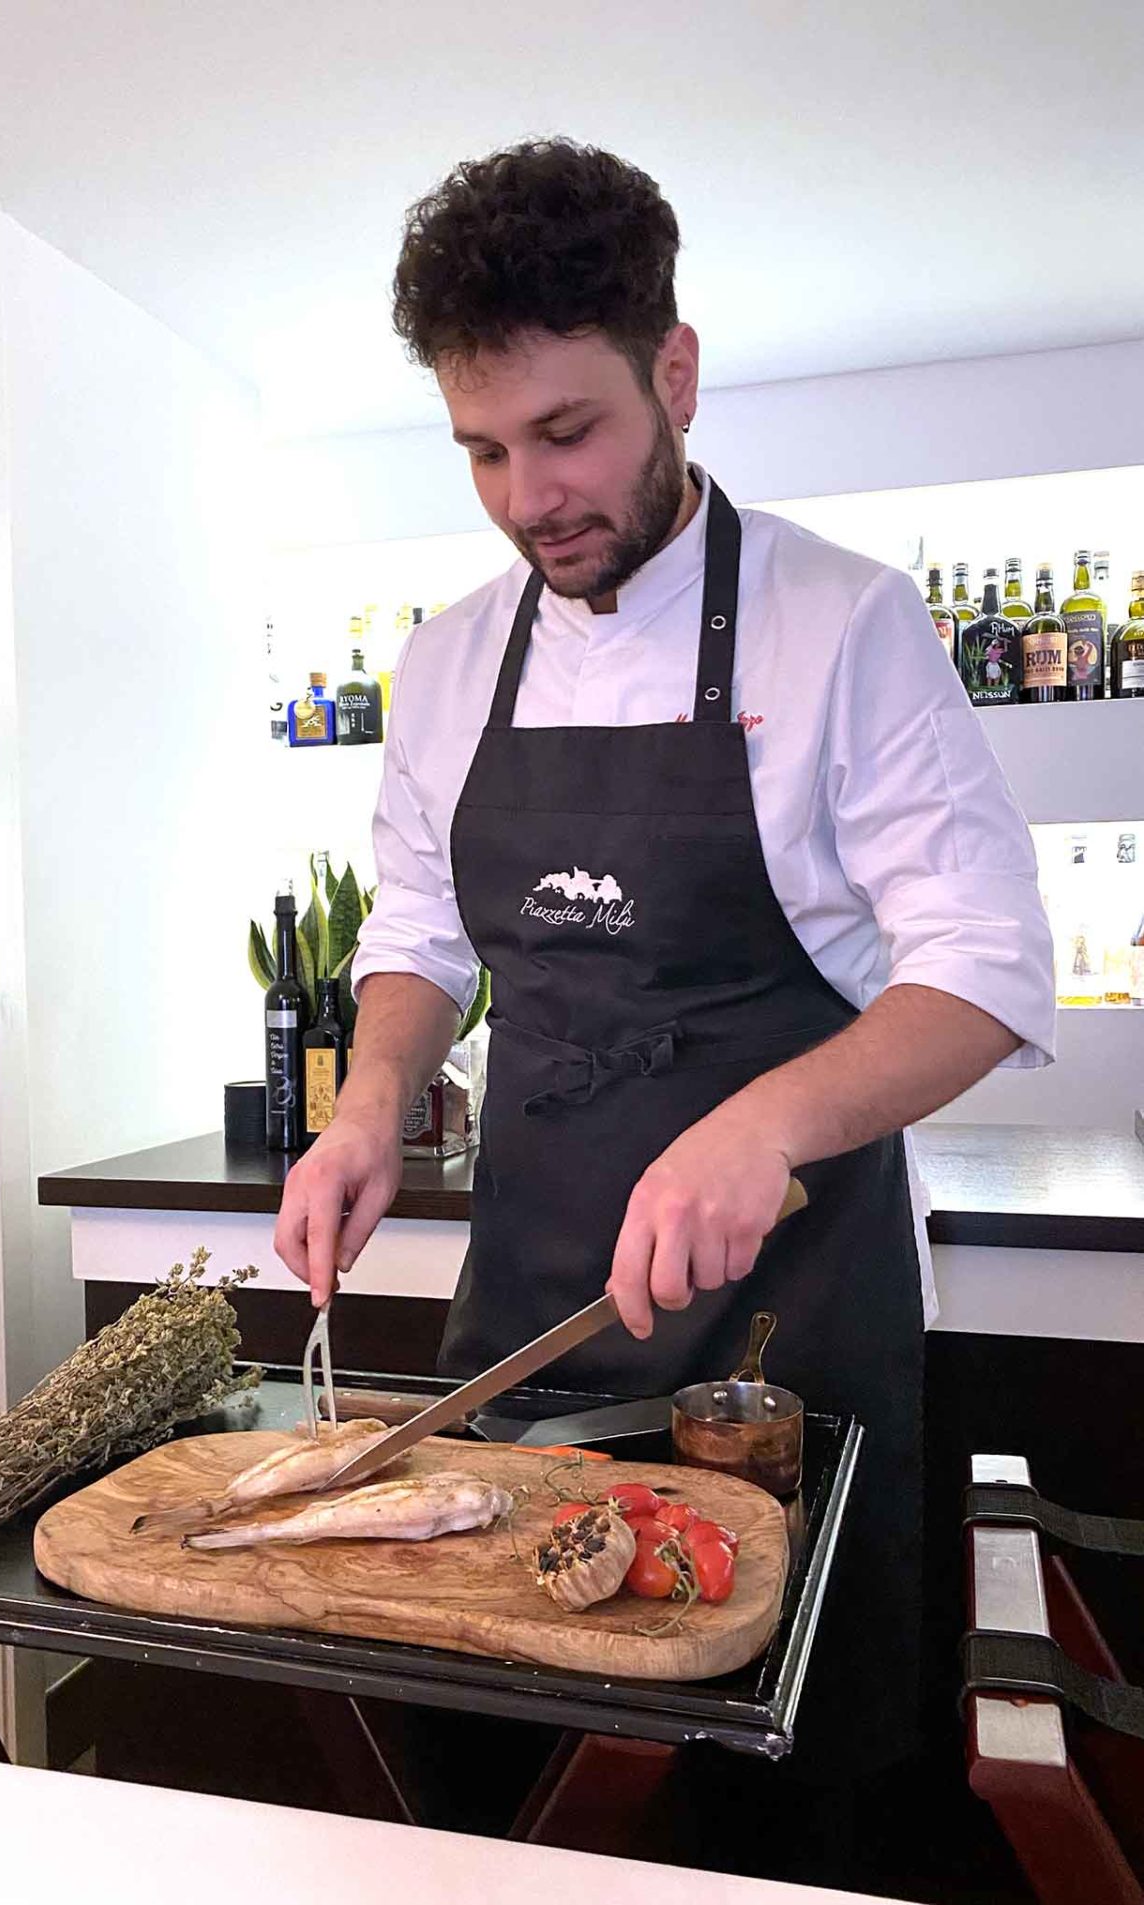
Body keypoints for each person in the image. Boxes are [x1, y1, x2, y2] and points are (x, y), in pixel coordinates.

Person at [274, 139, 1055, 1775]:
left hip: (789, 1325)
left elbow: (983, 969)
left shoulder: (842, 625)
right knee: (517, 1770)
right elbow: (420, 934)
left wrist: (763, 1123)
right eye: (481, 450)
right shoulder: (444, 663)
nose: (525, 498)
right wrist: (371, 1100)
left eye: (567, 433)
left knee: (772, 1781)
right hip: (533, 1306)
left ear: (675, 373)